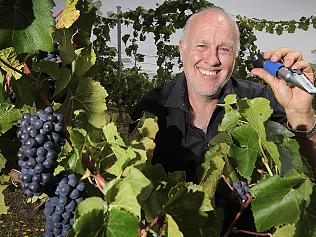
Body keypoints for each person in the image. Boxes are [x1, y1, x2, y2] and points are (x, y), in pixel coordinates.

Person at [131, 6, 316, 235]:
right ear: (182, 50)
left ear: (235, 56)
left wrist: (301, 114)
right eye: (202, 45)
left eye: (224, 49)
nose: (212, 59)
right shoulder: (151, 110)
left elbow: (308, 173)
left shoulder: (260, 102)